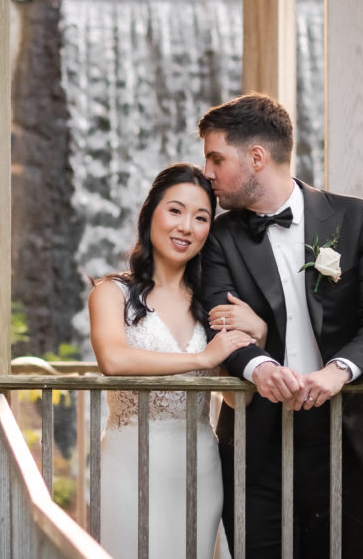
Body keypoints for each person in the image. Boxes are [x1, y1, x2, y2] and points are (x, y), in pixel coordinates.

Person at [197, 93, 363, 558]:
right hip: (255, 440)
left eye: (216, 158)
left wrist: (336, 372)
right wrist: (259, 366)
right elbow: (217, 319)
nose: (208, 172)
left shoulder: (357, 219)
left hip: (346, 435)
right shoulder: (218, 236)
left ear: (257, 157)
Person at [88, 163, 265, 559]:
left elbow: (241, 401)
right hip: (128, 461)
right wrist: (203, 357)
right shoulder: (112, 292)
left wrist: (259, 335)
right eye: (175, 211)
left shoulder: (212, 303)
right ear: (150, 213)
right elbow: (113, 360)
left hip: (199, 465)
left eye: (201, 217)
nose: (186, 226)